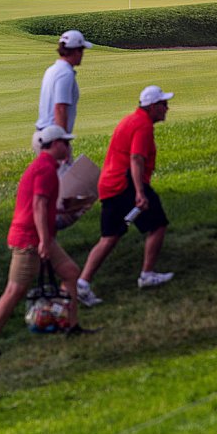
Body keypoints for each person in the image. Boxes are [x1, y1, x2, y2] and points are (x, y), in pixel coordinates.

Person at [0, 125, 87, 358]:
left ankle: (70, 325)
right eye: (65, 142)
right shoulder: (44, 169)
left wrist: (73, 208)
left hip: (39, 235)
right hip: (29, 239)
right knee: (15, 290)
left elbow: (44, 207)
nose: (68, 146)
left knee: (70, 272)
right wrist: (45, 242)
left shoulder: (47, 167)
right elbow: (37, 206)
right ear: (55, 144)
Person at [77, 87, 176, 306]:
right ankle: (147, 274)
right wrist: (140, 192)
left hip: (110, 185)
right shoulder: (142, 126)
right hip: (126, 184)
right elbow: (136, 159)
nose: (167, 108)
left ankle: (82, 284)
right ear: (152, 107)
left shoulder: (131, 120)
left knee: (110, 236)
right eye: (163, 104)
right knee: (157, 224)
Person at [37, 30, 91, 134]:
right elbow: (60, 108)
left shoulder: (52, 69)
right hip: (53, 136)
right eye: (81, 50)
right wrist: (62, 139)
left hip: (44, 132)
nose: (82, 55)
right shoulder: (65, 73)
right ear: (76, 51)